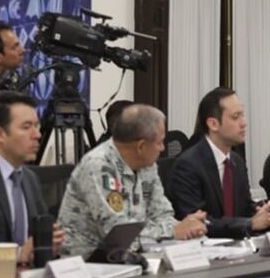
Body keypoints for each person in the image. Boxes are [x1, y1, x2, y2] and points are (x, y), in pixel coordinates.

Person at [58, 104, 206, 257]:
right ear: (141, 146)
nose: (162, 148)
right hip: (89, 263)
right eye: (160, 142)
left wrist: (188, 228)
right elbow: (117, 233)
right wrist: (173, 231)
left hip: (134, 256)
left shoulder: (147, 165)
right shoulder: (99, 166)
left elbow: (161, 213)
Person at [167, 88, 270, 239]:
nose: (244, 123)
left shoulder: (236, 161)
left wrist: (265, 211)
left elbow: (245, 208)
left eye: (243, 115)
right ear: (213, 124)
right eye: (236, 117)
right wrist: (250, 224)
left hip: (239, 248)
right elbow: (197, 222)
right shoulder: (188, 165)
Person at [0, 92, 65, 269]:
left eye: (37, 126)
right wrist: (16, 254)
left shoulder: (29, 178)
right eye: (26, 127)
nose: (37, 135)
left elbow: (38, 237)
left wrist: (48, 243)